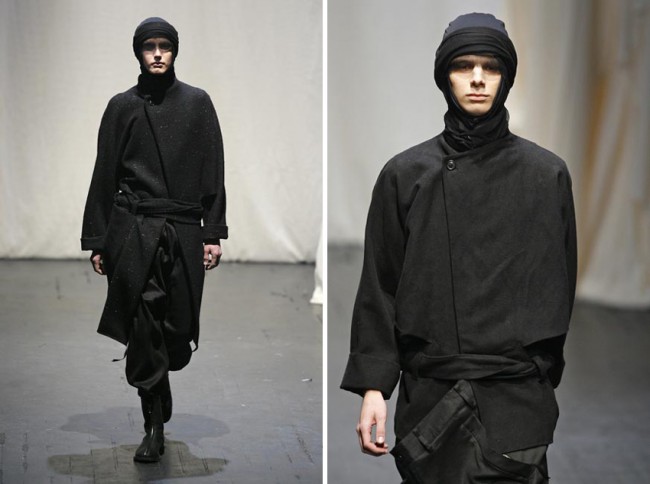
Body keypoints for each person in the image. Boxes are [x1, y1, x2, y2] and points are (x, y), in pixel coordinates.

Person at [340, 12, 577, 483]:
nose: (477, 79)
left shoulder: (545, 174)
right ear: (444, 76)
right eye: (463, 65)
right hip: (432, 397)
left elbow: (558, 286)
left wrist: (537, 370)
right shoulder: (406, 175)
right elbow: (380, 285)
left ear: (506, 77)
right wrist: (374, 389)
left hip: (514, 400)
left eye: (491, 67)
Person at [81, 17, 227, 463]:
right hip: (133, 229)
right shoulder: (121, 106)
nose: (158, 53)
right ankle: (153, 423)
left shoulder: (198, 103)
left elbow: (213, 169)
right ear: (139, 53)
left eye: (165, 45)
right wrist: (98, 240)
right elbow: (105, 172)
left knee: (177, 330)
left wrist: (212, 232)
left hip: (182, 228)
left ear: (175, 51)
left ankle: (160, 381)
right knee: (144, 327)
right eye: (150, 46)